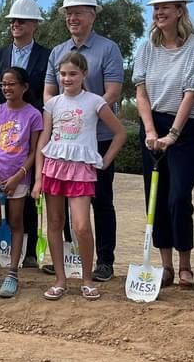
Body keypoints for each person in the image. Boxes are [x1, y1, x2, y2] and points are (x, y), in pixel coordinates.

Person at [133, 0, 194, 289]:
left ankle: (185, 265)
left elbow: (190, 94)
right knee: (156, 197)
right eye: (156, 7)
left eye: (165, 6)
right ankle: (165, 266)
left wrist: (173, 135)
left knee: (179, 197)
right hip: (153, 124)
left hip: (187, 126)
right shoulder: (146, 49)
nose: (159, 12)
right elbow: (141, 92)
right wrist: (151, 130)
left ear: (180, 10)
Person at [44, 0, 124, 282]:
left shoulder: (108, 49)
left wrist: (86, 110)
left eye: (78, 13)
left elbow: (113, 91)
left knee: (101, 200)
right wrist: (63, 114)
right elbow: (49, 93)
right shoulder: (58, 52)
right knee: (64, 207)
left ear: (92, 16)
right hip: (65, 141)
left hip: (98, 138)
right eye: (69, 13)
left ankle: (104, 260)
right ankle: (70, 258)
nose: (72, 18)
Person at [34, 52, 126, 301]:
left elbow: (120, 133)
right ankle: (60, 280)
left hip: (81, 170)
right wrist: (38, 178)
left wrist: (104, 162)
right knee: (54, 223)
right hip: (53, 168)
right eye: (63, 74)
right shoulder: (52, 104)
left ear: (84, 74)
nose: (67, 79)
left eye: (72, 74)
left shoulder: (95, 101)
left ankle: (87, 279)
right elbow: (43, 140)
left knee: (82, 226)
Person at [0, 0, 51, 268]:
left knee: (28, 195)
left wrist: (28, 115)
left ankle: (30, 252)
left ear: (34, 24)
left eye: (22, 21)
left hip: (33, 125)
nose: (16, 24)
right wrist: (5, 112)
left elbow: (48, 91)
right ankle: (3, 251)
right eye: (13, 20)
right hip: (3, 127)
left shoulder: (47, 56)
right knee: (1, 208)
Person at [0, 66, 43, 298]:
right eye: (3, 84)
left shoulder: (33, 115)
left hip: (18, 178)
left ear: (24, 87)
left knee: (16, 222)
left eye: (11, 84)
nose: (6, 88)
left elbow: (34, 150)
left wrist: (18, 177)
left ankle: (12, 273)